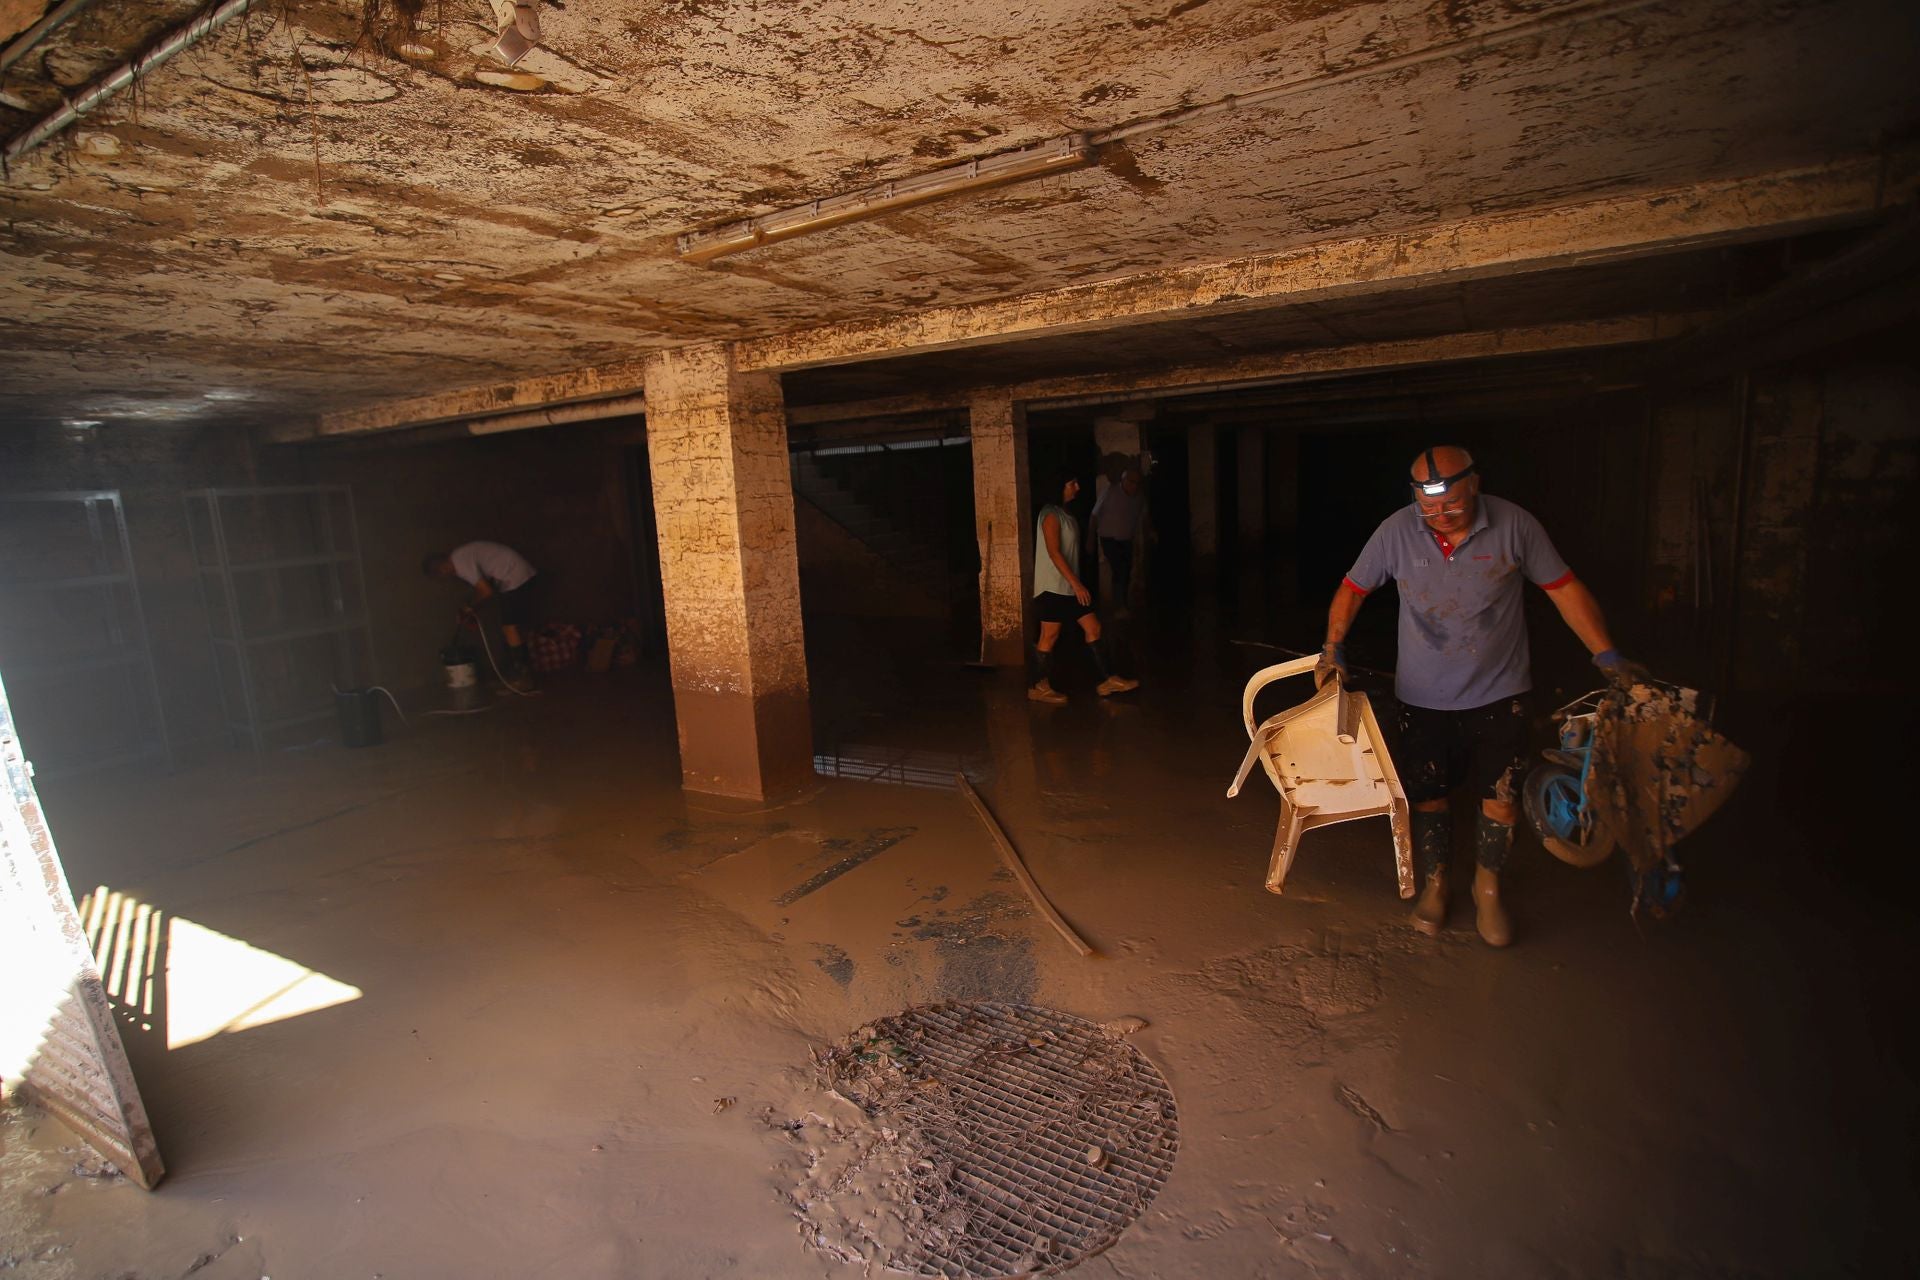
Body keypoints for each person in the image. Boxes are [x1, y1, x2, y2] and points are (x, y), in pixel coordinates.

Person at [1315, 446, 1645, 947]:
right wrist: (1332, 648)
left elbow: (1563, 588)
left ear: (1475, 486)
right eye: (1428, 507)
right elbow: (1353, 589)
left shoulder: (1516, 526)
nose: (1439, 517)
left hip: (1501, 693)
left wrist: (1607, 655)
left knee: (1503, 801)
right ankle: (1437, 884)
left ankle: (1488, 888)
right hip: (1422, 697)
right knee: (1429, 797)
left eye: (1451, 505)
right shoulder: (1396, 531)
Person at [1029, 468, 1140, 705]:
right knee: (1049, 635)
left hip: (1068, 587)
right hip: (1053, 588)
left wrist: (1075, 585)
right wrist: (1077, 584)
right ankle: (1039, 686)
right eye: (1072, 483)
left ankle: (1108, 680)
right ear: (1060, 486)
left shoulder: (1064, 514)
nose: (1077, 487)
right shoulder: (1049, 514)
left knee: (1094, 627)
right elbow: (1054, 552)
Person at [423, 541, 540, 684]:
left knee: (510, 628)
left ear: (442, 569)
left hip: (515, 576)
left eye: (441, 576)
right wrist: (471, 609)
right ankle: (519, 674)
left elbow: (486, 591)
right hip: (513, 576)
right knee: (509, 629)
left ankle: (524, 677)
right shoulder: (459, 556)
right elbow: (483, 590)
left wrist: (470, 607)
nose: (445, 578)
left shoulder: (460, 563)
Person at [1091, 465, 1149, 617]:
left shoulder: (1139, 498)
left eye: (1137, 483)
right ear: (1123, 480)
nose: (1133, 486)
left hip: (1127, 539)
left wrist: (1151, 532)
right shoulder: (1110, 492)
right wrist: (1090, 539)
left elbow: (1144, 517)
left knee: (1126, 571)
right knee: (1120, 569)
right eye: (1131, 482)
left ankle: (1122, 603)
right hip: (1109, 538)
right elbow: (1094, 516)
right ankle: (1119, 606)